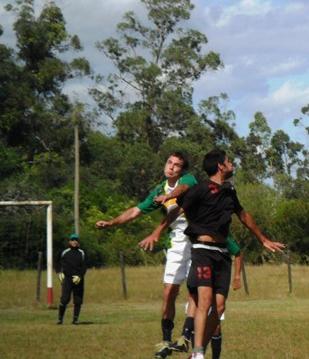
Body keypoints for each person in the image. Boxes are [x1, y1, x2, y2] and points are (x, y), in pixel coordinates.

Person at [162, 149, 284, 359]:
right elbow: (179, 209)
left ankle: (198, 351)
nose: (231, 164)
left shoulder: (230, 190)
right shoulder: (200, 188)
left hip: (222, 254)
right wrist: (157, 230)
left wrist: (263, 239)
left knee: (218, 307)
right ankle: (198, 352)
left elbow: (244, 216)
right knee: (205, 300)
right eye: (228, 161)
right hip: (201, 251)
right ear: (220, 166)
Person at [96, 151, 197, 358]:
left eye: (176, 165)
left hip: (196, 242)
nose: (171, 167)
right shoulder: (159, 190)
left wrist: (169, 196)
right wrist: (111, 222)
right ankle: (166, 342)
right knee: (169, 293)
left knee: (193, 291)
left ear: (181, 169)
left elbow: (183, 189)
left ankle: (185, 337)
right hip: (176, 245)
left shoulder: (188, 180)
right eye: (169, 162)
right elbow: (135, 211)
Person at [168, 235, 243, 358]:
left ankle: (208, 354)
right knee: (197, 315)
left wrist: (237, 276)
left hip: (216, 283)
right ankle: (193, 348)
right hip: (199, 286)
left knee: (216, 325)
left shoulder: (219, 236)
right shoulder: (190, 239)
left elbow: (237, 252)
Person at [56, 233, 86, 325]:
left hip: (78, 280)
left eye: (76, 240)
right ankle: (60, 319)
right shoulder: (65, 252)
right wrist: (59, 272)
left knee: (78, 300)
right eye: (73, 240)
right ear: (70, 241)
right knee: (64, 299)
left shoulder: (82, 253)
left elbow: (84, 266)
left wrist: (80, 276)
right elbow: (57, 263)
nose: (74, 241)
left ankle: (75, 320)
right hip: (67, 279)